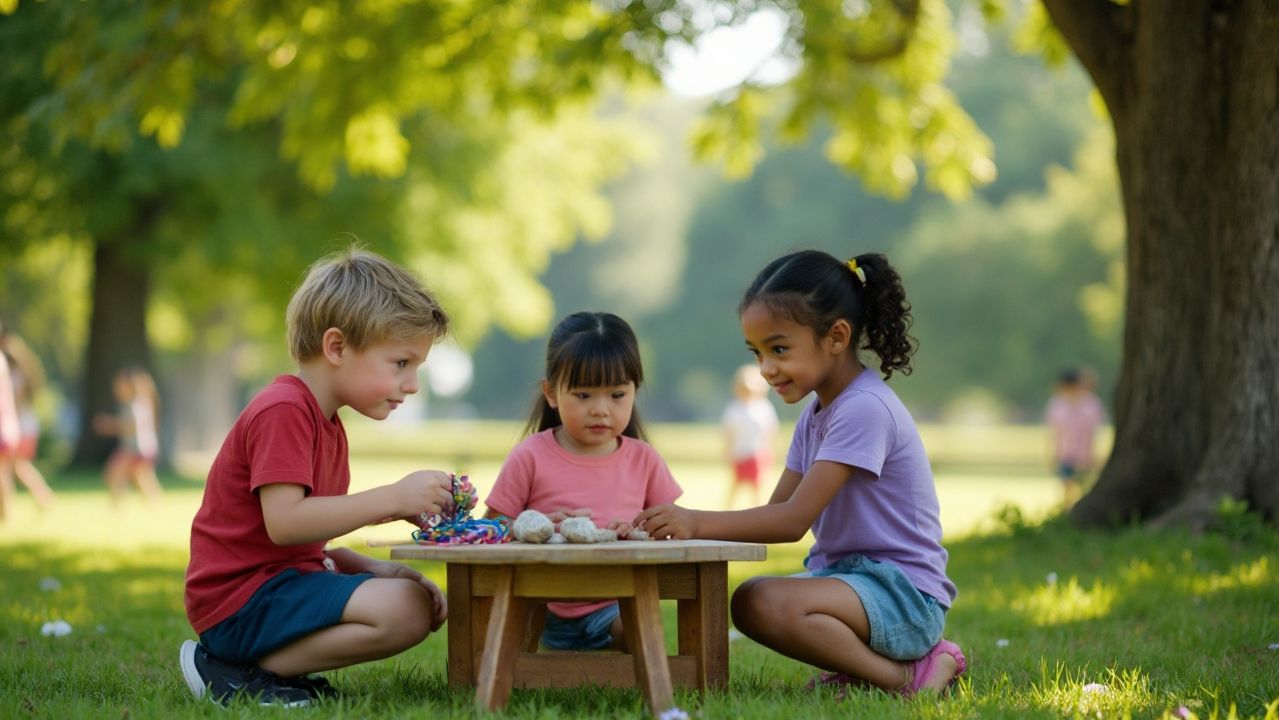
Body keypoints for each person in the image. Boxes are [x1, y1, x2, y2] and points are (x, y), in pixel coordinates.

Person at [638, 250, 967, 697]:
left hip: (903, 594)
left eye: (779, 349)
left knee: (765, 600)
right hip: (851, 583)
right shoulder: (817, 414)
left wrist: (695, 520)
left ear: (835, 336)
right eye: (757, 353)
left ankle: (905, 677)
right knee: (751, 601)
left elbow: (792, 522)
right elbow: (773, 512)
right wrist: (681, 532)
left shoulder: (864, 408)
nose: (765, 369)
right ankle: (867, 670)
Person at [179, 247, 456, 707]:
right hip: (238, 603)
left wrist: (366, 566)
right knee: (406, 609)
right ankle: (235, 673)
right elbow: (286, 523)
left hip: (271, 588)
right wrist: (392, 497)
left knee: (409, 599)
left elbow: (297, 543)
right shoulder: (284, 411)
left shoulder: (323, 421)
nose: (412, 385)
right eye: (401, 363)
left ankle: (258, 670)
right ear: (337, 347)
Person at [483, 311, 682, 651]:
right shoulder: (530, 456)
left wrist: (635, 532)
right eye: (583, 395)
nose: (601, 409)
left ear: (635, 391)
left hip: (617, 604)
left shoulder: (643, 459)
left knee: (644, 634)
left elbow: (671, 529)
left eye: (617, 395)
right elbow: (490, 529)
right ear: (551, 393)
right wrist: (533, 528)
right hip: (538, 604)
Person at [0, 329, 56, 512]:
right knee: (15, 467)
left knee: (16, 466)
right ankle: (42, 495)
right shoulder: (22, 375)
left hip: (20, 426)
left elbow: (12, 405)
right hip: (25, 425)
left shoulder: (15, 377)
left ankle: (42, 494)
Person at [94, 367, 164, 504]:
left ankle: (116, 505)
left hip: (135, 449)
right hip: (143, 449)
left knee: (113, 474)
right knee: (140, 479)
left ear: (129, 387)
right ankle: (154, 503)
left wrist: (108, 425)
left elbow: (132, 427)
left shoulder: (135, 405)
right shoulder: (139, 403)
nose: (117, 389)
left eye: (120, 386)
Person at [1045, 367, 1104, 508]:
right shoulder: (1057, 404)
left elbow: (1094, 432)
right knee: (1067, 488)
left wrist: (1094, 455)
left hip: (1085, 456)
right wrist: (1054, 454)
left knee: (1084, 488)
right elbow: (1054, 433)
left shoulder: (1090, 404)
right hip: (1065, 455)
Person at [721, 363, 778, 509]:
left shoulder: (763, 408)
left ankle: (756, 514)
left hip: (757, 454)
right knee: (735, 486)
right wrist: (727, 451)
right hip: (740, 454)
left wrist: (770, 451)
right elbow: (729, 432)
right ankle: (727, 512)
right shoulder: (734, 409)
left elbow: (769, 432)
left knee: (757, 488)